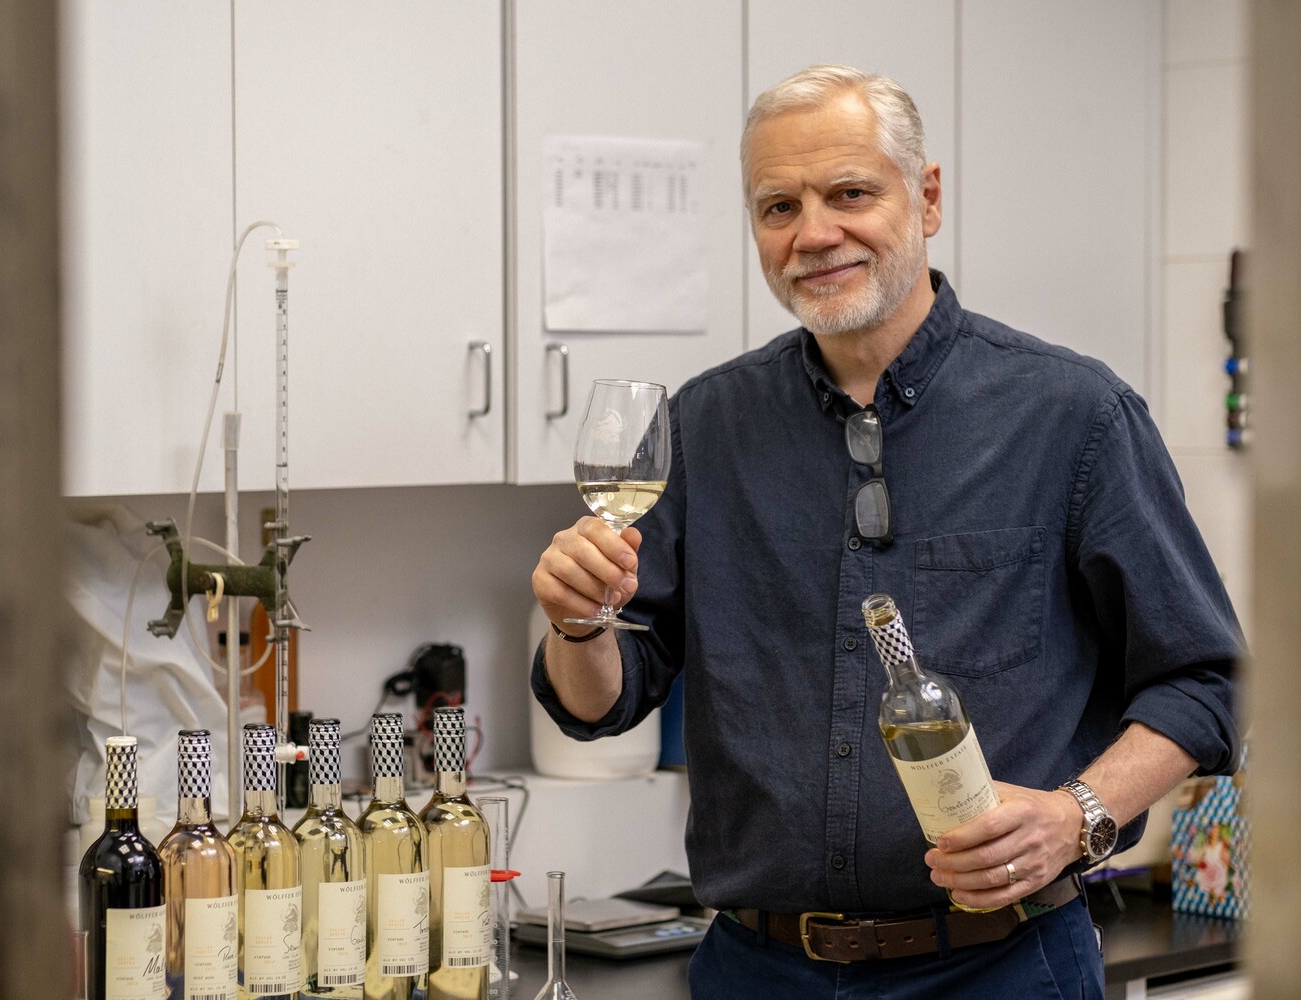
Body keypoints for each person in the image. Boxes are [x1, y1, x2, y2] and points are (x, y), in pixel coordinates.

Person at [529, 64, 1241, 999]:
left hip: (1003, 967)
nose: (814, 234)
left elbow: (1207, 681)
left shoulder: (1075, 417)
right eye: (778, 207)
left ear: (928, 196)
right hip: (755, 969)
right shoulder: (703, 426)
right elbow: (601, 706)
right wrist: (578, 623)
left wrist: (1081, 815)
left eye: (849, 193)